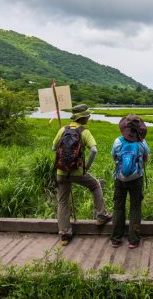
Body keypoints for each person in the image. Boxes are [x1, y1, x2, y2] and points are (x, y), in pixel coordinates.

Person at [52, 104, 112, 246]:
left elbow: (54, 148)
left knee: (62, 202)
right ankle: (101, 216)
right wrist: (87, 166)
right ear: (83, 118)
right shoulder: (84, 132)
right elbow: (94, 150)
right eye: (87, 116)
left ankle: (65, 234)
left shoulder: (63, 129)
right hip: (77, 172)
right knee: (95, 185)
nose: (89, 117)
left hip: (61, 172)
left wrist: (64, 159)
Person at [110, 114, 150, 249]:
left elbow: (114, 156)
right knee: (135, 208)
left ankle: (116, 239)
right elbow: (145, 158)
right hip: (136, 179)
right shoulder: (142, 143)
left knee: (118, 207)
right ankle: (133, 240)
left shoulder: (118, 141)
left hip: (120, 178)